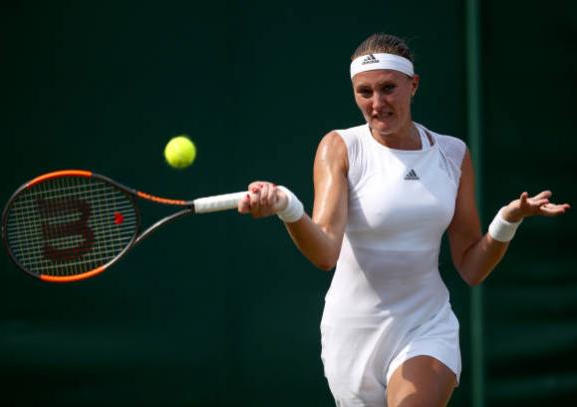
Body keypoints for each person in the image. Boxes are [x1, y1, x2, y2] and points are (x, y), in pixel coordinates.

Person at [237, 33, 570, 407]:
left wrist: (508, 220)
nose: (377, 103)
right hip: (353, 334)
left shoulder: (452, 153)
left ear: (413, 85)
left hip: (426, 325)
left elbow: (472, 266)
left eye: (388, 88)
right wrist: (288, 207)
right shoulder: (341, 147)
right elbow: (325, 252)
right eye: (364, 92)